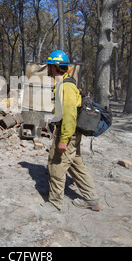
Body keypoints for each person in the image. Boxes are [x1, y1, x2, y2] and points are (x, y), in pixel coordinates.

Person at [42, 50, 101, 212]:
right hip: (72, 132)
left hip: (68, 133)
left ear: (54, 66)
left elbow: (69, 114)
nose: (47, 69)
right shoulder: (64, 84)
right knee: (76, 165)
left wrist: (63, 139)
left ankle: (55, 203)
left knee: (56, 166)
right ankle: (92, 199)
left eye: (48, 66)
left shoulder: (66, 87)